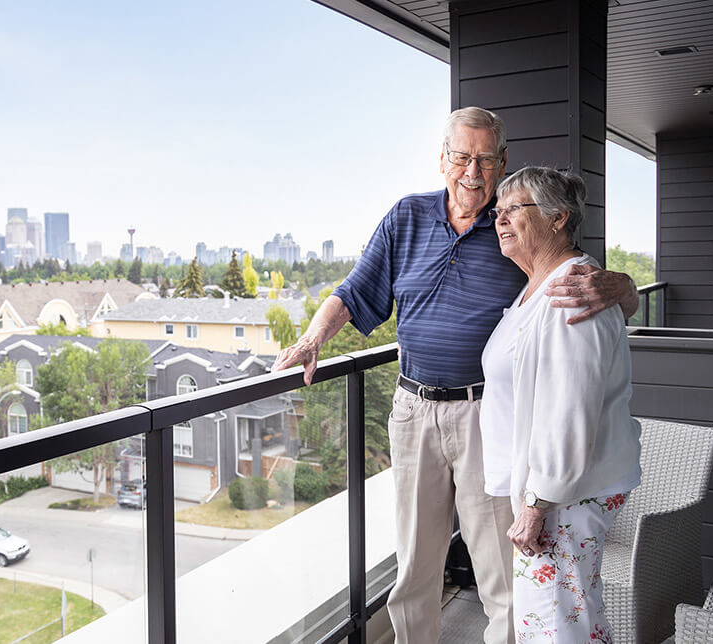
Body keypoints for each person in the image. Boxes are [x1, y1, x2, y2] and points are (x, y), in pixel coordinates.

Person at [271, 106, 638, 644]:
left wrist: (624, 287)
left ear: (502, 162)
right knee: (415, 564)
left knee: (501, 569)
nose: (473, 171)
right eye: (462, 157)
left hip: (486, 416)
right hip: (414, 408)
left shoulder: (516, 225)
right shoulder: (408, 217)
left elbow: (580, 279)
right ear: (442, 160)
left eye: (485, 160)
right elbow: (354, 291)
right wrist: (311, 339)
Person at [481, 167, 641, 643]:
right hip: (553, 490)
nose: (501, 219)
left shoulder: (573, 290)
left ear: (558, 218)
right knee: (561, 615)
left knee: (561, 622)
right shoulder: (539, 285)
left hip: (562, 493)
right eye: (498, 211)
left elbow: (569, 409)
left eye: (515, 209)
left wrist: (537, 503)